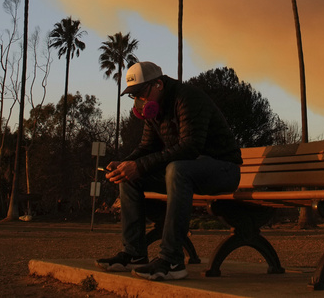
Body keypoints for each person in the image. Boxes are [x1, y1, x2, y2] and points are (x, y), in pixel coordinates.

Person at [96, 61, 242, 281]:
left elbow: (190, 147)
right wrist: (125, 164)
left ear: (158, 85)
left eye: (141, 92)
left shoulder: (188, 98)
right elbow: (146, 147)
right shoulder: (152, 111)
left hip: (223, 170)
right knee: (130, 178)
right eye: (133, 94)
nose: (139, 99)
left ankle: (172, 260)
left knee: (177, 168)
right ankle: (134, 253)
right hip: (188, 171)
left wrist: (140, 166)